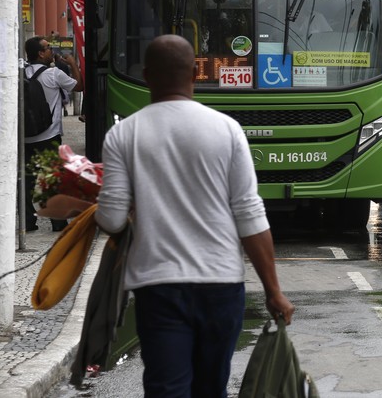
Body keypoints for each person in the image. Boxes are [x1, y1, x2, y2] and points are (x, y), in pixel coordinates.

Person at [95, 34, 294, 397]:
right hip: (221, 285)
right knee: (210, 388)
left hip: (158, 286)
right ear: (194, 74)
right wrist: (273, 291)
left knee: (166, 387)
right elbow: (250, 216)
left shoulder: (124, 134)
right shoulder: (227, 130)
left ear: (146, 75)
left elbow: (110, 219)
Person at [24, 36, 83, 231]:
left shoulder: (21, 72)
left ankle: (27, 222)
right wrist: (73, 64)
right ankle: (58, 223)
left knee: (27, 180)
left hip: (26, 136)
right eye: (48, 47)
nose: (51, 50)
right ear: (41, 53)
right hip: (49, 136)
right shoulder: (54, 74)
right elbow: (79, 86)